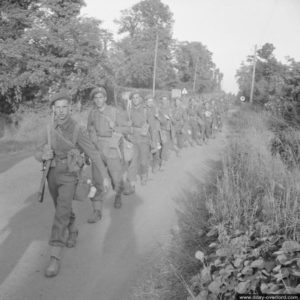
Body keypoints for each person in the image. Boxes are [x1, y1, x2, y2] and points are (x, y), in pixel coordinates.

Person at [35, 92, 110, 278]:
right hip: (51, 173)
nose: (60, 111)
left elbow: (92, 152)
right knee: (61, 207)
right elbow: (36, 151)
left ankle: (54, 256)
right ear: (53, 109)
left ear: (69, 108)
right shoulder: (47, 128)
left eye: (64, 107)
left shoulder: (77, 129)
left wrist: (105, 175)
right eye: (57, 107)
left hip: (69, 174)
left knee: (61, 212)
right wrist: (42, 156)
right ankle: (73, 228)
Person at [87, 86, 125, 222]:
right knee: (97, 179)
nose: (98, 100)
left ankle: (118, 195)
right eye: (96, 98)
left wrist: (114, 125)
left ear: (105, 98)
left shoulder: (114, 112)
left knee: (116, 176)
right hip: (97, 148)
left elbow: (125, 128)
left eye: (101, 97)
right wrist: (91, 146)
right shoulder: (92, 113)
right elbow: (89, 129)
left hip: (112, 147)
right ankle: (97, 211)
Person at [127, 92, 151, 186]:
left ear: (140, 98)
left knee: (143, 161)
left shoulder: (146, 110)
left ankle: (144, 174)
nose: (135, 99)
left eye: (137, 97)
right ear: (132, 100)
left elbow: (152, 126)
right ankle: (132, 182)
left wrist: (154, 141)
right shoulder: (129, 111)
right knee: (133, 161)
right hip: (133, 138)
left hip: (144, 138)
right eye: (133, 98)